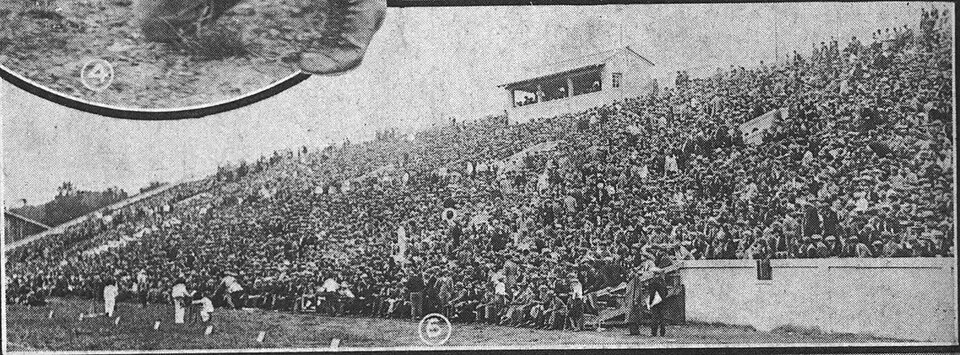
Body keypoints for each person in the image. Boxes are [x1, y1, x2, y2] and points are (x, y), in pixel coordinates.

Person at [647, 270, 669, 337]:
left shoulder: (653, 282)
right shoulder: (663, 281)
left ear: (654, 274)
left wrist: (650, 302)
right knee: (662, 317)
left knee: (654, 317)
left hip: (655, 302)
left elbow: (652, 293)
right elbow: (666, 292)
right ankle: (662, 332)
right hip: (662, 300)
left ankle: (654, 332)